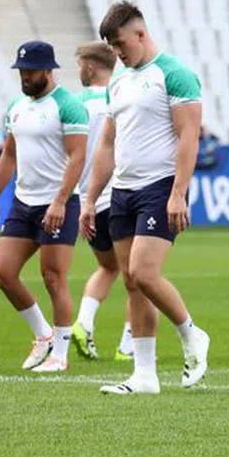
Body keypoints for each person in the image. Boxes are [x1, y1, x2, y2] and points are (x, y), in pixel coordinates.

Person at [81, 1, 211, 395]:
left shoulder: (174, 74)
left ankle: (192, 335)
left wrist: (178, 194)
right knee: (132, 284)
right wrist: (90, 199)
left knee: (144, 273)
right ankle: (144, 376)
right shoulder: (119, 82)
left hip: (159, 187)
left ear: (141, 34)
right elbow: (106, 143)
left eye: (120, 43)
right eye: (112, 46)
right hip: (122, 190)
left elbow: (190, 135)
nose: (117, 53)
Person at [0, 41, 88, 373]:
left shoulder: (67, 105)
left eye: (30, 71)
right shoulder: (16, 106)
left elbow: (78, 156)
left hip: (58, 203)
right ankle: (43, 335)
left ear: (48, 70)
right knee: (3, 274)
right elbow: (9, 154)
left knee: (53, 277)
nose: (24, 77)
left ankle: (60, 355)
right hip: (23, 202)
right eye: (21, 71)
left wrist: (60, 201)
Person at [69, 41, 135, 362]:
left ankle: (83, 323)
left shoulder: (74, 105)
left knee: (107, 266)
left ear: (91, 67)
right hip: (119, 196)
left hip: (86, 201)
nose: (79, 70)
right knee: (140, 274)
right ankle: (128, 345)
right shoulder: (120, 99)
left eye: (80, 64)